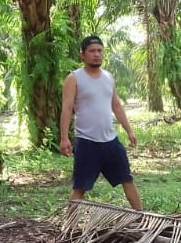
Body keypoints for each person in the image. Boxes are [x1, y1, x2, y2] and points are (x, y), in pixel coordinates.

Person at [59, 35, 143, 210]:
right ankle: (69, 229)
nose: (96, 54)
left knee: (127, 179)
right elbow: (67, 108)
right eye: (92, 51)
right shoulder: (74, 78)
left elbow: (116, 106)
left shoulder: (108, 77)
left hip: (111, 141)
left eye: (99, 51)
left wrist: (129, 131)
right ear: (82, 54)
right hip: (87, 142)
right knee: (80, 188)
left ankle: (142, 218)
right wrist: (64, 138)